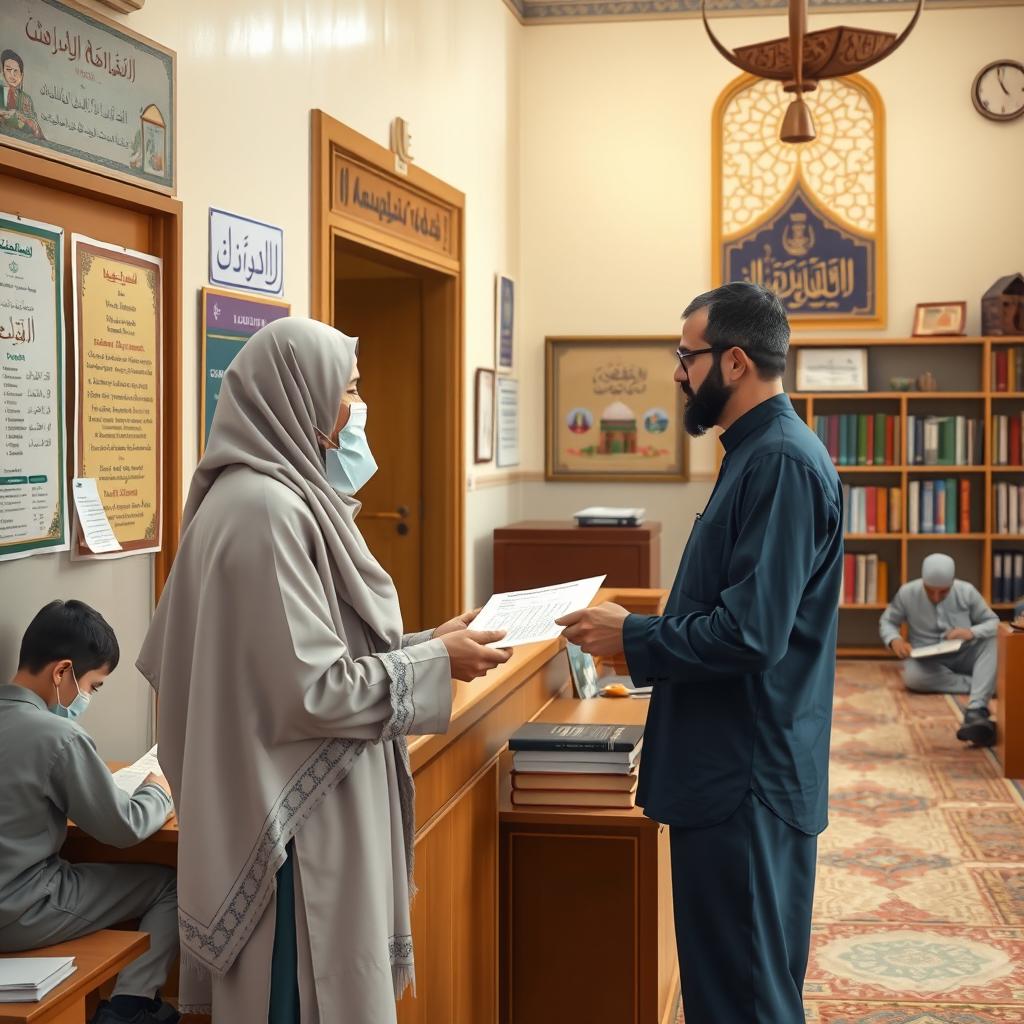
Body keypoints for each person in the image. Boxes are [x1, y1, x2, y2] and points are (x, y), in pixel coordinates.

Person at [136, 317, 509, 1023]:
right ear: (297, 395)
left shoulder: (273, 498)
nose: (357, 408)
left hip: (306, 808)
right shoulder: (265, 511)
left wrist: (434, 642)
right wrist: (435, 661)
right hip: (297, 841)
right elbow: (313, 691)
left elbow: (309, 653)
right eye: (349, 390)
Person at [557, 282, 843, 1024]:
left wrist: (632, 638)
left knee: (745, 999)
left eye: (687, 357)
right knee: (731, 991)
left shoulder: (778, 463)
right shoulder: (755, 453)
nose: (678, 373)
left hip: (744, 778)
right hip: (733, 770)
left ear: (736, 361)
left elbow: (750, 634)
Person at [0, 600, 179, 1024]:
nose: (89, 699)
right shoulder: (57, 735)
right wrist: (160, 791)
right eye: (94, 686)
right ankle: (127, 1008)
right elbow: (125, 827)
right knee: (169, 885)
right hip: (21, 909)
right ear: (62, 672)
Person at [879, 553, 998, 746]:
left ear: (952, 583)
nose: (936, 597)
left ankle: (976, 710)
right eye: (930, 591)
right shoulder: (907, 593)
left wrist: (970, 632)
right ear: (923, 582)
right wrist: (895, 640)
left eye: (943, 592)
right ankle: (984, 686)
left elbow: (994, 623)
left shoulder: (966, 591)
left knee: (991, 641)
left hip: (965, 653)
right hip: (929, 660)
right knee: (913, 677)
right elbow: (888, 621)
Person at [0, 49, 44, 139]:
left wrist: (25, 120)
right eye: (8, 70)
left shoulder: (26, 99)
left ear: (22, 75)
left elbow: (34, 129)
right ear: (3, 72)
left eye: (16, 71)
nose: (12, 75)